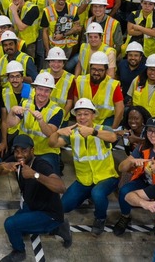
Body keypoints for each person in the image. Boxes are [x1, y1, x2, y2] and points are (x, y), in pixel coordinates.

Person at [0, 134, 71, 262]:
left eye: (24, 150)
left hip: (49, 213)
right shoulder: (16, 160)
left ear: (32, 151)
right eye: (17, 151)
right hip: (33, 205)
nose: (20, 154)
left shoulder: (41, 164)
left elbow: (61, 187)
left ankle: (19, 251)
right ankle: (59, 227)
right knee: (18, 230)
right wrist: (1, 167)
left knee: (10, 224)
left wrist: (35, 175)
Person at [49, 98, 119, 235]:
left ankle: (100, 218)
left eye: (86, 114)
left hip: (106, 177)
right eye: (79, 114)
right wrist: (57, 132)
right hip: (84, 180)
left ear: (93, 115)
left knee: (98, 193)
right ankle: (87, 194)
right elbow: (52, 144)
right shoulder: (72, 133)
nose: (82, 117)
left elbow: (113, 137)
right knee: (63, 207)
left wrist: (93, 132)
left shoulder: (103, 129)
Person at [113, 117, 155, 236]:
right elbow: (121, 168)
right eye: (150, 130)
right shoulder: (142, 147)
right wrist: (132, 161)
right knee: (124, 191)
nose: (153, 134)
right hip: (144, 181)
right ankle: (125, 216)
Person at [5, 72, 64, 172]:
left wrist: (41, 121)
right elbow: (11, 124)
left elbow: (50, 133)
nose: (42, 93)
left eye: (46, 91)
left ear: (51, 92)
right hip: (26, 150)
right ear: (35, 89)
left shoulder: (57, 110)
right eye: (40, 89)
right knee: (5, 167)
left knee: (51, 178)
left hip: (46, 151)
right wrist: (12, 111)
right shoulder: (25, 103)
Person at [73, 51, 124, 129]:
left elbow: (120, 109)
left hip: (105, 120)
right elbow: (76, 101)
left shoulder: (113, 85)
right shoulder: (80, 81)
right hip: (85, 119)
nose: (96, 73)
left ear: (106, 70)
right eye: (93, 69)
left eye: (100, 70)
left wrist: (113, 129)